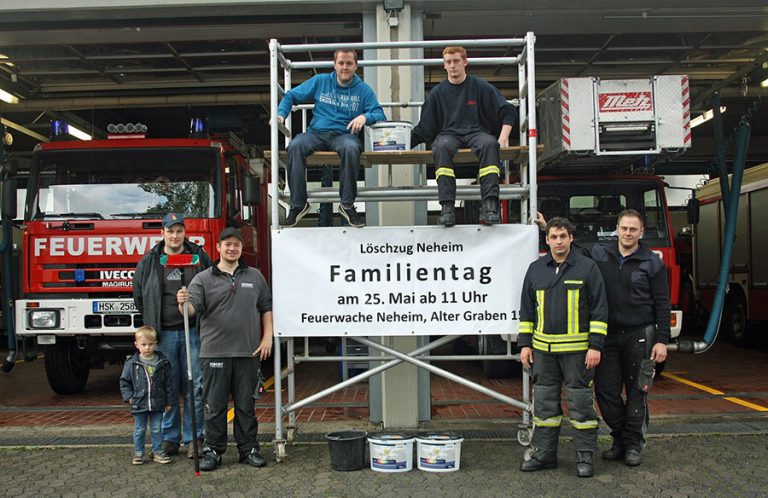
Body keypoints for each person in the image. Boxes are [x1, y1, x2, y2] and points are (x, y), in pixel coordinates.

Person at [518, 217, 608, 478]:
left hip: (578, 353)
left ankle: (585, 456)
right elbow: (527, 310)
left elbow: (600, 309)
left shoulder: (587, 268)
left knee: (581, 405)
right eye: (554, 237)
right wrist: (525, 344)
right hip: (543, 353)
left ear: (571, 238)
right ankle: (545, 454)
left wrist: (595, 346)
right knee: (544, 406)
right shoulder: (535, 270)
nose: (558, 241)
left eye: (563, 236)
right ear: (546, 240)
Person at [178, 227, 273, 471]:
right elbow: (191, 311)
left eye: (236, 244)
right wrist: (183, 303)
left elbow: (266, 308)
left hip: (248, 352)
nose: (232, 248)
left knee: (246, 407)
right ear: (218, 247)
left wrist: (267, 338)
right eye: (227, 244)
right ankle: (213, 451)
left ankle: (248, 449)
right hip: (214, 353)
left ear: (241, 248)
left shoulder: (255, 276)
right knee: (214, 407)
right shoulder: (202, 279)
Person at [591, 209, 670, 467]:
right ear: (617, 228)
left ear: (641, 232)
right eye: (624, 228)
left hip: (641, 334)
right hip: (607, 335)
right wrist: (546, 227)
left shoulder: (653, 263)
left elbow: (663, 303)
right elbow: (571, 246)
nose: (627, 233)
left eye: (633, 229)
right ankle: (621, 437)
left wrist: (662, 340)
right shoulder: (599, 254)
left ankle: (632, 445)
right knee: (605, 391)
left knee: (638, 391)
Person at [132, 212, 212, 459]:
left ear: (185, 233)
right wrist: (152, 321)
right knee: (167, 386)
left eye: (179, 231)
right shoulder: (150, 260)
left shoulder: (198, 256)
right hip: (164, 334)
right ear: (162, 233)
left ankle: (194, 438)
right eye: (170, 231)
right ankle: (169, 437)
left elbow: (211, 285)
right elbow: (139, 294)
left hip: (193, 333)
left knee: (194, 386)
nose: (175, 236)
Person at [276, 48, 386, 228]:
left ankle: (347, 205)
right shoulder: (320, 81)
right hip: (316, 134)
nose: (345, 67)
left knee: (352, 148)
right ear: (334, 65)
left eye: (349, 63)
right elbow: (291, 96)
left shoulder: (363, 90)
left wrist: (365, 117)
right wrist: (281, 114)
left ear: (356, 66)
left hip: (343, 136)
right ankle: (298, 204)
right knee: (295, 145)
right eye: (341, 63)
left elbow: (380, 114)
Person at [411, 46, 518, 227]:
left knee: (489, 144)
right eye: (448, 62)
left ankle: (490, 206)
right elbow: (424, 129)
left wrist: (501, 140)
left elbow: (508, 111)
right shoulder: (437, 93)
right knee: (441, 146)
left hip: (477, 133)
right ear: (444, 65)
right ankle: (447, 208)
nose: (452, 65)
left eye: (456, 61)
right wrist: (397, 145)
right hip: (448, 135)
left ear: (465, 62)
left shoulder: (480, 87)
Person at [119, 326, 176, 465]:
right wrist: (129, 397)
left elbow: (169, 383)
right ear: (136, 345)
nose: (147, 348)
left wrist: (169, 401)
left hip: (157, 403)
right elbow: (124, 381)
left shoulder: (163, 362)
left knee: (157, 429)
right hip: (139, 403)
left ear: (156, 343)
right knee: (139, 429)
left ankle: (158, 452)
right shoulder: (132, 363)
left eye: (150, 344)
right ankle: (138, 453)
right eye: (143, 344)